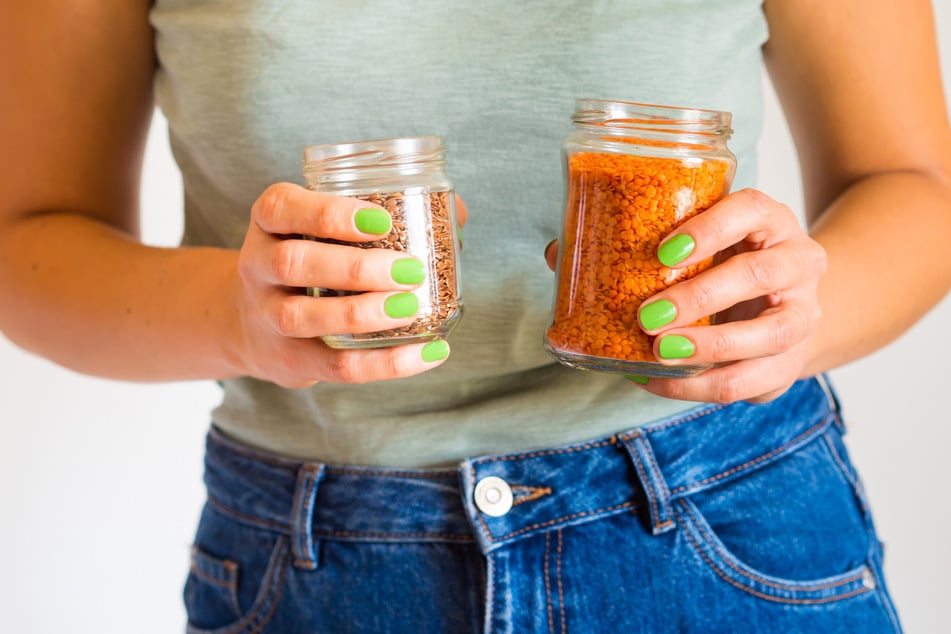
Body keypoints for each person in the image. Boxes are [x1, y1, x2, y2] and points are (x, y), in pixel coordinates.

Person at [1, 0, 948, 632]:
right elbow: (28, 240)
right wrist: (237, 318)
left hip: (722, 521)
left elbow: (913, 185)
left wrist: (785, 315)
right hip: (316, 558)